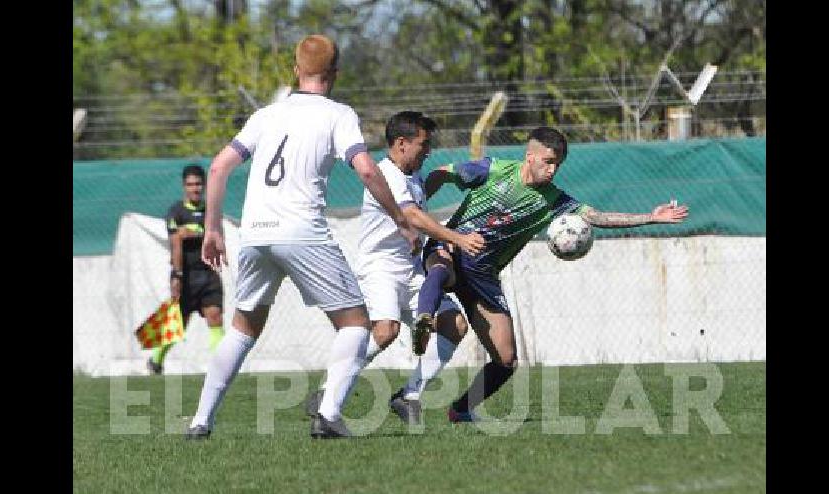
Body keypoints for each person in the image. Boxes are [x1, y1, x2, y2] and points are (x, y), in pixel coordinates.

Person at [183, 34, 463, 440]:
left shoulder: (265, 115)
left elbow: (219, 167)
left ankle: (200, 421)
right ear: (334, 74)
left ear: (296, 70)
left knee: (242, 329)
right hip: (301, 230)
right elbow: (367, 169)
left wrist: (212, 229)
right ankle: (329, 413)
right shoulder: (337, 114)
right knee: (356, 323)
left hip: (255, 231)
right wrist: (400, 219)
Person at [411, 126, 690, 423]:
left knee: (506, 361)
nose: (552, 169)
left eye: (557, 164)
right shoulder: (493, 169)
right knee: (441, 266)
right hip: (454, 245)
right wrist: (414, 210)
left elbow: (596, 217)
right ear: (529, 157)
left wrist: (650, 217)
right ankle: (424, 318)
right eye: (547, 161)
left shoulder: (553, 200)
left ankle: (461, 410)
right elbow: (442, 172)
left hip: (484, 274)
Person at [299, 111, 484, 426]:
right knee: (386, 331)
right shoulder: (386, 174)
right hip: (380, 268)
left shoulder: (411, 176)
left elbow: (424, 191)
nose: (428, 150)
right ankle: (329, 392)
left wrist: (455, 174)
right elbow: (412, 217)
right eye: (424, 144)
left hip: (412, 271)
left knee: (454, 325)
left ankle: (408, 395)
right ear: (401, 143)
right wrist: (459, 239)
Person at [146, 165, 226, 375]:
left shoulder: (211, 211)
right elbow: (176, 244)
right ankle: (155, 360)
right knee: (179, 324)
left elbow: (218, 236)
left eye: (198, 184)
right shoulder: (176, 212)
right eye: (190, 184)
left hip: (208, 274)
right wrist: (177, 276)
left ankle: (222, 368)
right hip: (186, 277)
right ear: (184, 187)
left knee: (215, 316)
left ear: (204, 185)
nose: (195, 188)